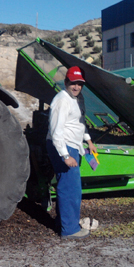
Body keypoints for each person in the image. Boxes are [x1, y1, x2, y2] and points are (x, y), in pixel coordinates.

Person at [46, 66, 97, 239]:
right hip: (63, 145)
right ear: (66, 82)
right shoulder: (62, 100)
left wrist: (88, 140)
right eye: (73, 83)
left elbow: (79, 121)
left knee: (70, 186)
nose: (76, 87)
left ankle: (64, 222)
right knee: (70, 188)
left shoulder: (76, 98)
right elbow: (56, 131)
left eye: (79, 84)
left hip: (73, 145)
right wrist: (65, 155)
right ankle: (70, 230)